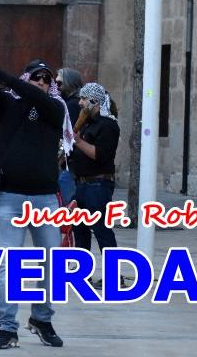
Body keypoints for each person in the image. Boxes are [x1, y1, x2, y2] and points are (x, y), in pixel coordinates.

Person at [0, 34, 72, 350]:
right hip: (10, 198)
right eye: (37, 77)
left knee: (52, 263)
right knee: (8, 263)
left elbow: (37, 99)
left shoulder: (56, 108)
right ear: (29, 78)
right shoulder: (7, 105)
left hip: (44, 198)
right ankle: (7, 328)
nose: (42, 83)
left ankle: (42, 318)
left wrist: (8, 78)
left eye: (48, 79)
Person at [71, 82, 120, 280]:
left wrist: (78, 141)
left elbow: (100, 155)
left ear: (95, 102)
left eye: (84, 99)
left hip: (98, 185)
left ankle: (114, 276)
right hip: (82, 184)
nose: (80, 103)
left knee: (101, 229)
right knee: (80, 229)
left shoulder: (108, 125)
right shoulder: (88, 124)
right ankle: (83, 274)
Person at [55, 67, 84, 204]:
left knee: (68, 201)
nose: (56, 86)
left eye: (59, 83)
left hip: (70, 161)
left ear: (69, 83)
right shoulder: (70, 103)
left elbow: (68, 134)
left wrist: (59, 157)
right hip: (71, 161)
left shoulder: (72, 105)